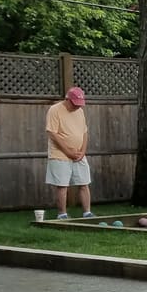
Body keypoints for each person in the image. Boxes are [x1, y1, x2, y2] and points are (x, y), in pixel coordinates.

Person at [44, 86, 93, 219]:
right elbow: (52, 133)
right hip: (59, 154)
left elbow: (84, 132)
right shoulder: (55, 110)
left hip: (78, 154)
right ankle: (62, 214)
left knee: (84, 183)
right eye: (75, 104)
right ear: (67, 99)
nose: (77, 107)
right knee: (62, 185)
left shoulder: (80, 112)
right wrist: (67, 151)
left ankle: (87, 212)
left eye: (80, 104)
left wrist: (83, 151)